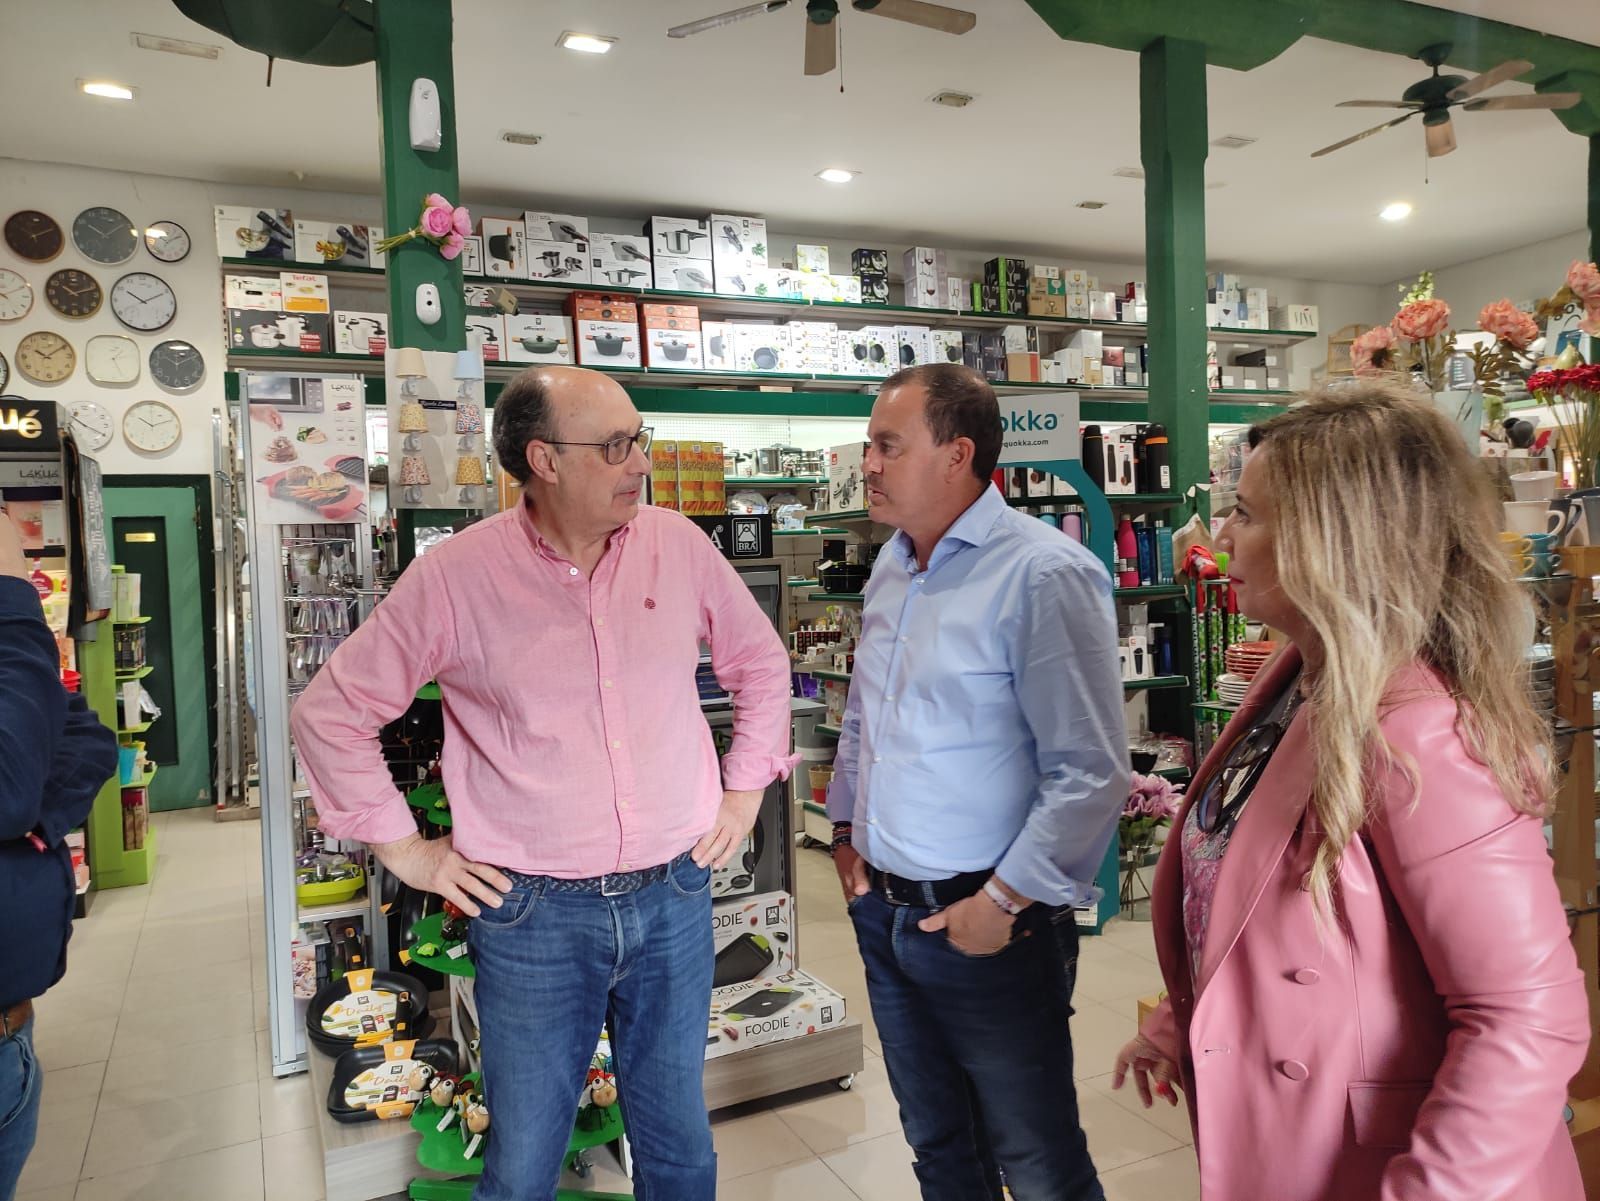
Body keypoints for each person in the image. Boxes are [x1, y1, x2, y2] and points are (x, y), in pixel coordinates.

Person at [291, 366, 794, 1201]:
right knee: (523, 1158)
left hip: (674, 890)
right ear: (544, 460)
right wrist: (406, 852)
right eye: (617, 445)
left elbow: (761, 663)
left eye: (642, 439)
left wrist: (744, 791)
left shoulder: (679, 546)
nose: (640, 462)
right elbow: (330, 710)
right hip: (531, 914)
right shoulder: (456, 576)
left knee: (678, 1145)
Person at [1112, 384, 1591, 1201]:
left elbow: (1527, 1019)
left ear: (1334, 542)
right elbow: (1260, 890)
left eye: (1248, 514)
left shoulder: (1420, 733)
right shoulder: (1301, 677)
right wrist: (1182, 1017)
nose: (1224, 533)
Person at [827, 364, 1128, 1201]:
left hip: (988, 924)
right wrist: (847, 834)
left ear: (958, 454)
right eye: (868, 445)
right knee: (937, 1146)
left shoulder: (1042, 573)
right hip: (886, 913)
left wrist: (1000, 903)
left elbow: (1091, 768)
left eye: (888, 445)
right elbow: (866, 718)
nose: (869, 463)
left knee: (1035, 1161)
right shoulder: (893, 565)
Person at [0, 508, 118, 1201]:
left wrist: (36, 821)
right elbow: (9, 787)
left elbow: (86, 737)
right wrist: (11, 600)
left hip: (13, 1023)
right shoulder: (11, 627)